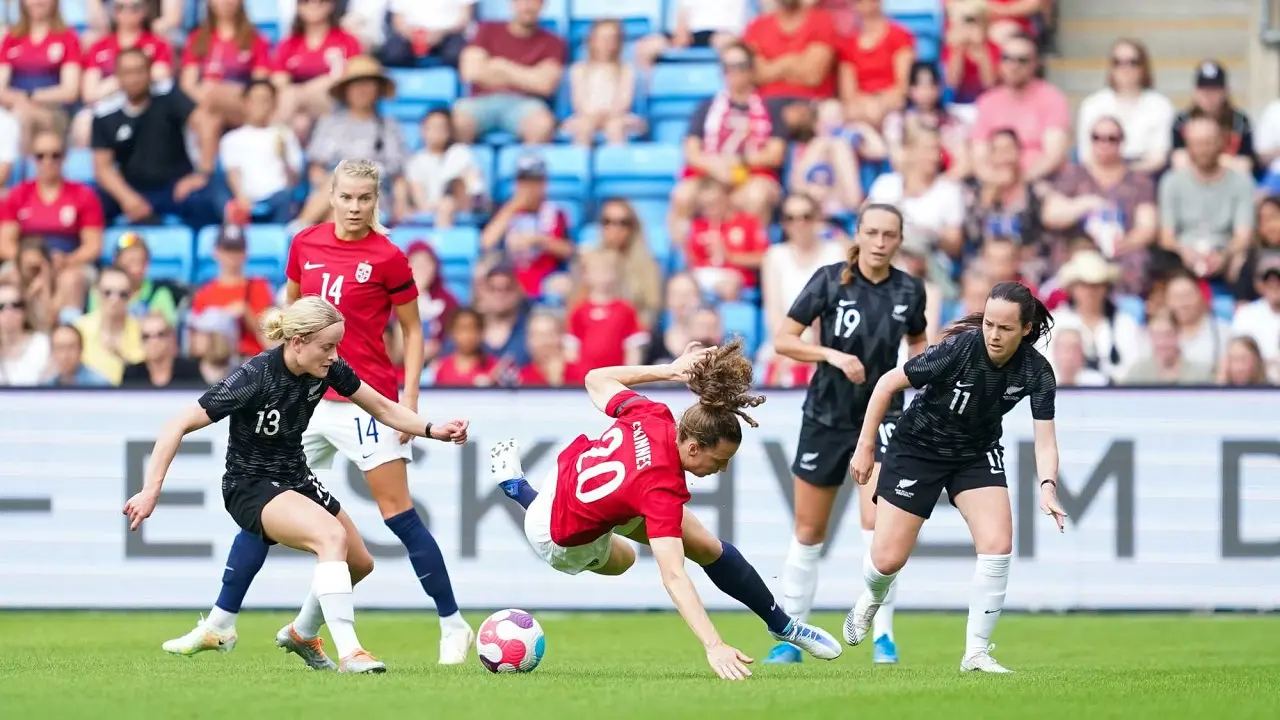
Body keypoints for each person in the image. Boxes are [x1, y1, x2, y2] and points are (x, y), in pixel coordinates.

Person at [162, 158, 475, 666]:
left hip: (364, 398)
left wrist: (411, 401)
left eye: (365, 198)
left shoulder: (390, 257)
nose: (355, 207)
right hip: (306, 401)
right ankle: (221, 623)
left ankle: (451, 624)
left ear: (378, 201)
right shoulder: (304, 243)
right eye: (346, 197)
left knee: (398, 515)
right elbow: (292, 322)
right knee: (265, 502)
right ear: (331, 196)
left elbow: (413, 331)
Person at [124, 296, 471, 674]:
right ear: (297, 342)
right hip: (249, 484)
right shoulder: (254, 376)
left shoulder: (328, 368)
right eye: (327, 346)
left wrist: (433, 429)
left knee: (359, 563)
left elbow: (384, 408)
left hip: (295, 478)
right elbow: (177, 423)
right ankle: (351, 653)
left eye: (337, 345)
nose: (334, 355)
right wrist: (150, 489)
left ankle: (303, 632)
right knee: (331, 537)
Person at [491, 340, 844, 680]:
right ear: (692, 448)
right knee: (625, 559)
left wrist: (671, 371)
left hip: (573, 477)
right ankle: (518, 489)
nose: (721, 470)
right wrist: (713, 644)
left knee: (705, 545)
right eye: (719, 461)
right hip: (556, 536)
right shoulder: (661, 491)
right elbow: (673, 576)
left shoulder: (654, 414)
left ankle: (782, 625)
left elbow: (595, 378)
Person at [842, 281, 1068, 673]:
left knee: (998, 545)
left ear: (1026, 329)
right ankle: (871, 597)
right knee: (887, 560)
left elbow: (1045, 441)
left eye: (1005, 328)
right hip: (917, 449)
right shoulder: (958, 349)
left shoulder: (1037, 372)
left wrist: (1047, 486)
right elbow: (886, 384)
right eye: (989, 325)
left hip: (974, 454)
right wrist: (865, 446)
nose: (994, 335)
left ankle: (976, 653)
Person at [766, 203, 928, 666]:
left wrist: (911, 372)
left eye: (889, 234)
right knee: (808, 532)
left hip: (882, 420)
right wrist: (831, 356)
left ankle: (883, 636)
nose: (880, 241)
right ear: (858, 234)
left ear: (899, 240)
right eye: (872, 232)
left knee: (877, 530)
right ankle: (791, 638)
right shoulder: (830, 279)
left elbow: (918, 342)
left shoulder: (909, 289)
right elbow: (784, 339)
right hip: (826, 417)